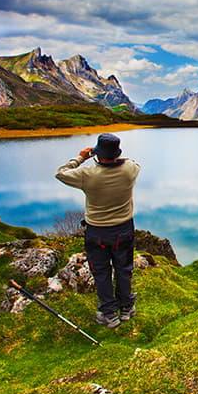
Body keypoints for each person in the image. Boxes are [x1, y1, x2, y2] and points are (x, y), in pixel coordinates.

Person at [55, 133, 141, 328]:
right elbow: (134, 162)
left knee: (101, 272)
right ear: (117, 153)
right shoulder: (129, 171)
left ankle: (109, 314)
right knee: (124, 269)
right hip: (124, 229)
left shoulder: (87, 175)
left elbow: (60, 172)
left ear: (98, 154)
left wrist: (81, 157)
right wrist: (116, 155)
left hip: (97, 232)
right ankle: (126, 307)